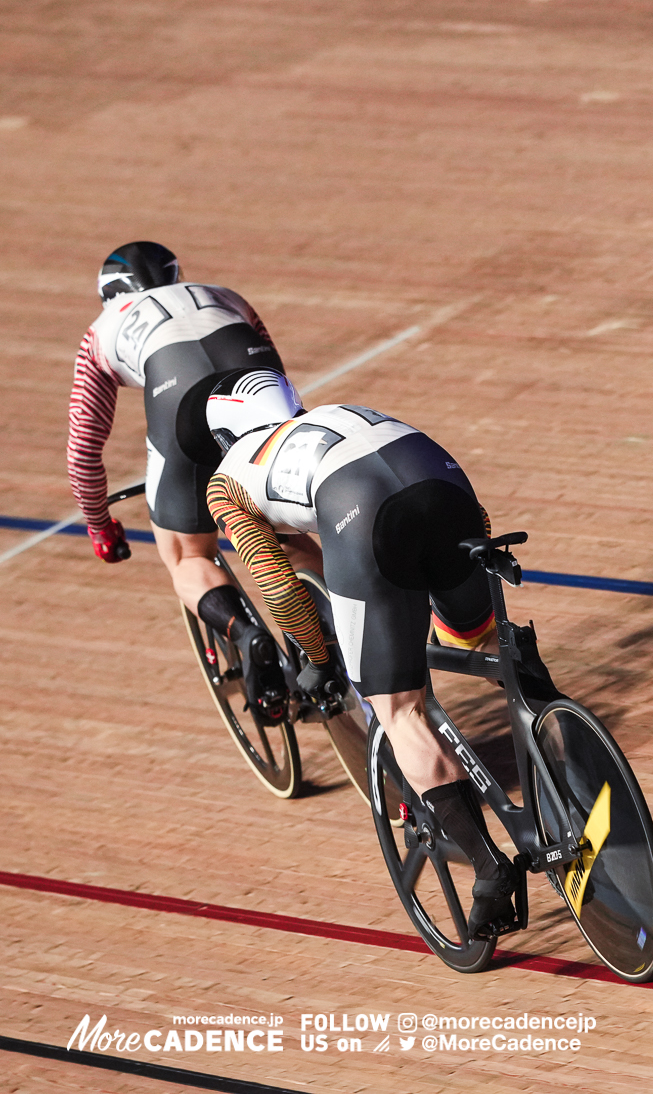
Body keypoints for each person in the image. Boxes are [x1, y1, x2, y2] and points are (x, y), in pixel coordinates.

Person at [202, 368, 522, 937]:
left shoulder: (227, 480)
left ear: (225, 437)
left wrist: (320, 659)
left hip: (361, 509)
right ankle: (553, 727)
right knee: (479, 637)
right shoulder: (334, 414)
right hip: (440, 478)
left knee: (399, 710)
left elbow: (275, 581)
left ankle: (491, 873)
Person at [66, 241, 315, 718]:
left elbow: (83, 447)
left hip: (176, 392)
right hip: (252, 373)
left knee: (187, 553)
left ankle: (246, 634)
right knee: (285, 528)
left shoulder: (99, 333)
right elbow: (279, 378)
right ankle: (333, 632)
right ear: (176, 274)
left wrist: (100, 526)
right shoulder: (225, 295)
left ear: (108, 295)